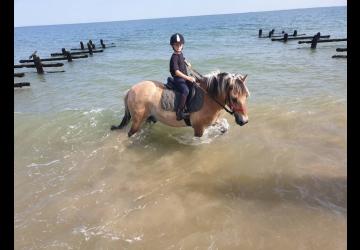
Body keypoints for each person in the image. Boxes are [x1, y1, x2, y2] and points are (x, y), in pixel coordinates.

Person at [169, 33, 196, 120]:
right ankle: (179, 112)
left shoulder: (180, 54)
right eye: (176, 45)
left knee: (195, 85)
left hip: (184, 78)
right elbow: (176, 72)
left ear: (182, 45)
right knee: (186, 90)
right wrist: (188, 78)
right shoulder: (174, 57)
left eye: (180, 44)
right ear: (173, 46)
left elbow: (182, 59)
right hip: (178, 79)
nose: (178, 46)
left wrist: (187, 62)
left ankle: (189, 105)